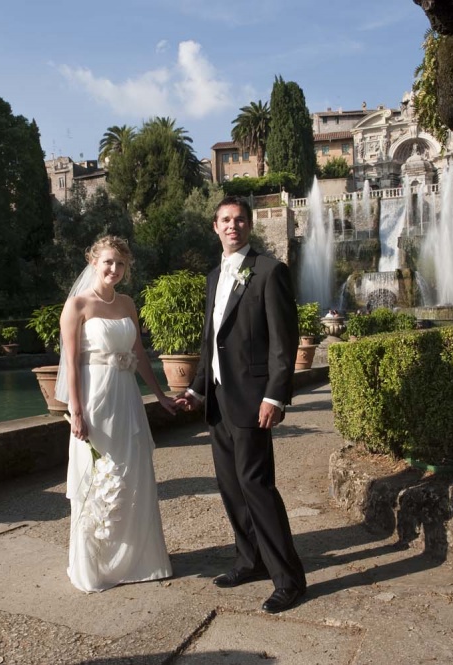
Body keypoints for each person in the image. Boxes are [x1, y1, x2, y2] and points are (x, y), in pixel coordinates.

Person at [176, 196, 307, 614]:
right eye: (226, 220)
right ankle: (250, 562)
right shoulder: (215, 275)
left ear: (249, 226)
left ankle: (289, 579)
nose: (233, 226)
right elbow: (209, 341)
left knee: (257, 487)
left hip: (253, 401)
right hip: (218, 401)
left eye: (240, 220)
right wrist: (197, 389)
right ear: (215, 226)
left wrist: (274, 395)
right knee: (231, 488)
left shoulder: (270, 271)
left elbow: (284, 343)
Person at [58, 235, 177, 593]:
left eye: (121, 264)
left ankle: (138, 561)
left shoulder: (127, 303)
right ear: (93, 262)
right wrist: (76, 411)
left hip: (127, 399)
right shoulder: (77, 305)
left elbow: (139, 353)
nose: (114, 269)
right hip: (96, 398)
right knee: (99, 476)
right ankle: (95, 566)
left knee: (133, 473)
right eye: (108, 261)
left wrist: (160, 395)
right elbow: (72, 364)